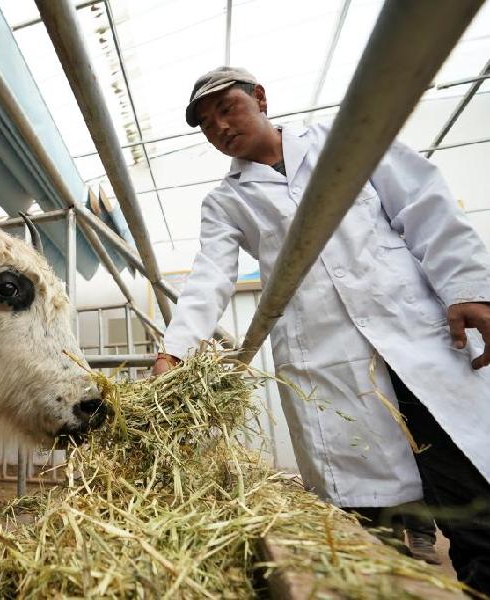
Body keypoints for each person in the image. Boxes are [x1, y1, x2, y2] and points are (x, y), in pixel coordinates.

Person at [153, 66, 490, 593]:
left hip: (414, 339)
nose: (219, 127)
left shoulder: (345, 141)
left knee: (469, 500)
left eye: (227, 109)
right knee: (368, 527)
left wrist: (467, 287)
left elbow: (423, 203)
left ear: (261, 98)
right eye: (206, 124)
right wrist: (174, 352)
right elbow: (211, 276)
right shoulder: (225, 201)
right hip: (329, 363)